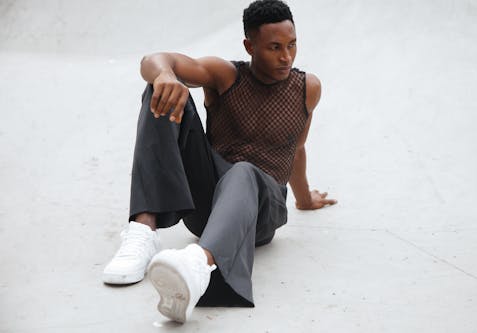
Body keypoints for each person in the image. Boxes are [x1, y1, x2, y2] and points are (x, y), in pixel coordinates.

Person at [102, 0, 337, 323]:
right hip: (207, 207)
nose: (286, 57)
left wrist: (304, 198)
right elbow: (154, 61)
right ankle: (142, 232)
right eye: (274, 47)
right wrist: (166, 75)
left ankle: (199, 265)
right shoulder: (226, 76)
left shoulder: (306, 88)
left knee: (244, 172)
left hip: (262, 214)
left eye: (292, 45)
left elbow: (295, 148)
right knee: (162, 89)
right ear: (249, 46)